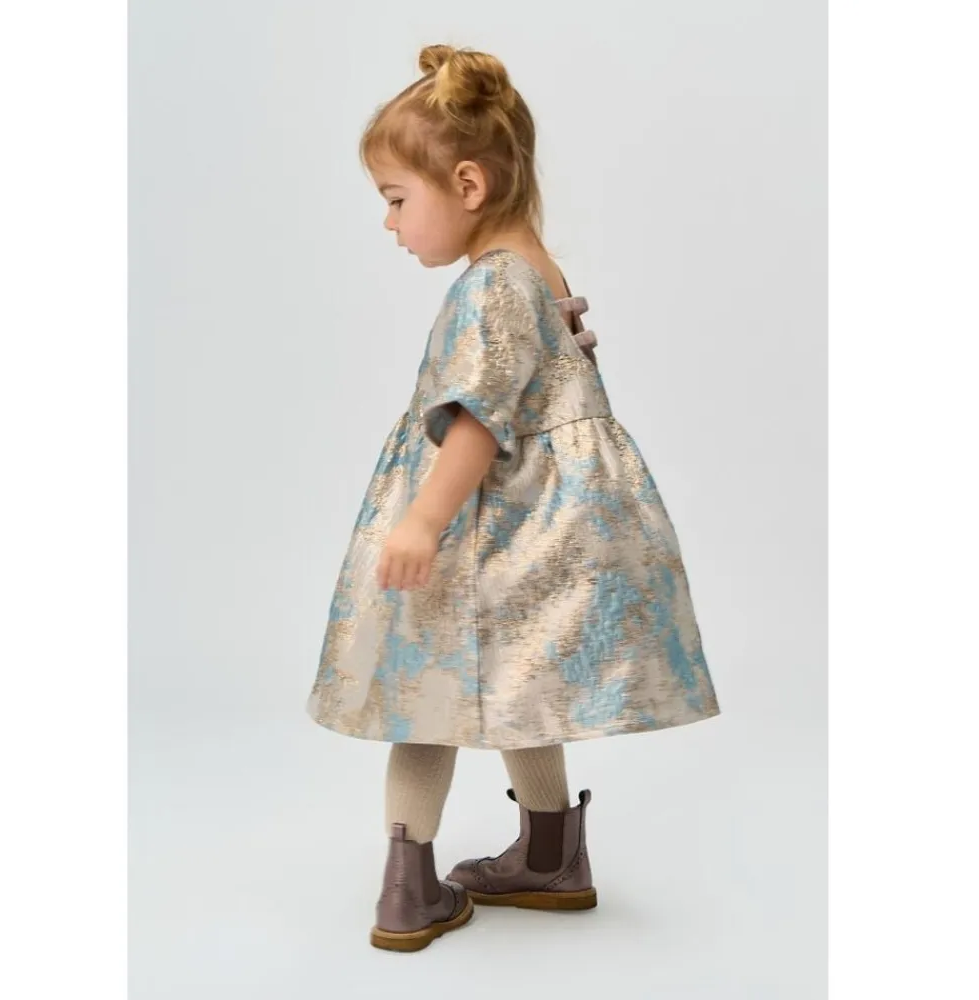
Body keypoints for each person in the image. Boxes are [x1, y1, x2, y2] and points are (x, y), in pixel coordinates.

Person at [307, 43, 720, 953]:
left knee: (429, 694)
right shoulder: (539, 273)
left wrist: (423, 520)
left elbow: (479, 420)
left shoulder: (494, 284)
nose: (388, 222)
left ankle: (410, 887)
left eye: (396, 199)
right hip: (536, 529)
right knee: (517, 685)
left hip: (481, 527)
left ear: (468, 184)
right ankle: (549, 856)